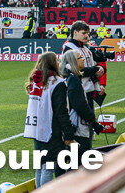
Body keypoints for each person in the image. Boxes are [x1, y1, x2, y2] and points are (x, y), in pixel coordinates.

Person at [25, 52, 69, 187]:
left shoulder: (36, 80)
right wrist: (67, 131)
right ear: (52, 63)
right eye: (56, 60)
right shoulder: (57, 82)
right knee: (48, 167)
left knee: (40, 165)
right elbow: (61, 110)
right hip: (50, 127)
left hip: (35, 127)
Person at [61, 20, 107, 108]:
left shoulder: (85, 47)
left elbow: (94, 64)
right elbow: (74, 70)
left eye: (87, 33)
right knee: (82, 119)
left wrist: (101, 69)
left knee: (90, 118)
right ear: (75, 32)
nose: (87, 36)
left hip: (89, 89)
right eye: (84, 33)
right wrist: (96, 70)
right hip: (78, 90)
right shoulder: (69, 47)